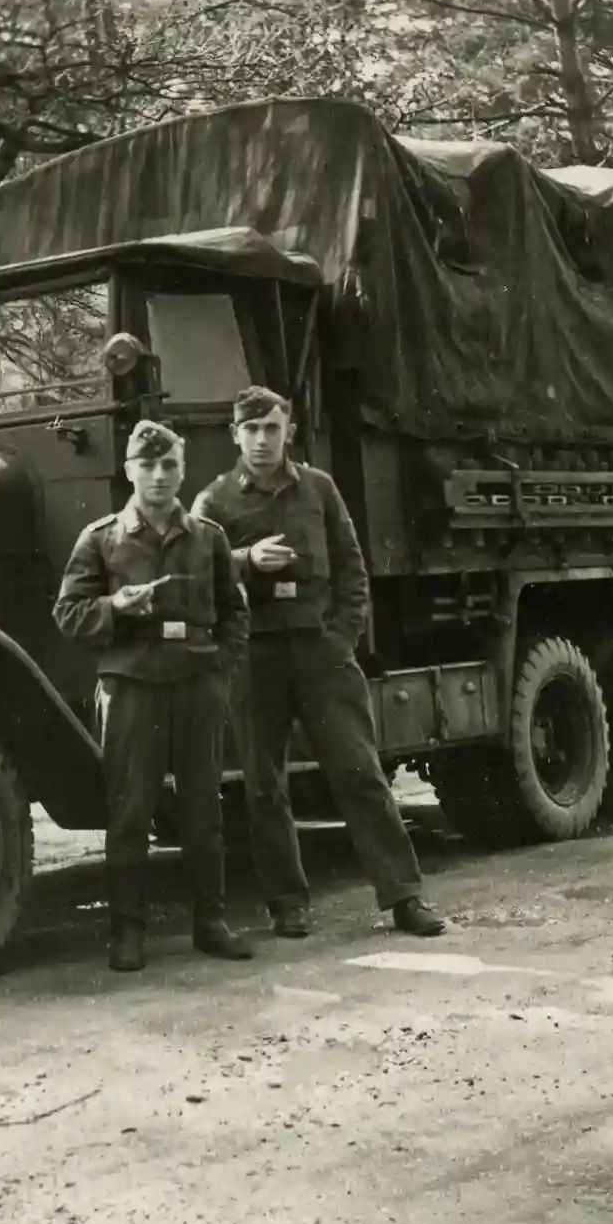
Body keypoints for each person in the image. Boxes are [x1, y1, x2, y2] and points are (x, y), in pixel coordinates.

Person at [193, 386, 450, 940]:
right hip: (254, 657)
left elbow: (353, 572)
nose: (262, 440)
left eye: (272, 428)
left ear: (289, 430)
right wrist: (244, 560)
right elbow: (196, 578)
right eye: (251, 430)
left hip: (320, 652)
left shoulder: (318, 489)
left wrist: (340, 640)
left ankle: (405, 897)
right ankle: (287, 903)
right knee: (264, 786)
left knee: (360, 772)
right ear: (234, 435)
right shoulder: (214, 503)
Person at [53, 419, 253, 973]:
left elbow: (235, 613)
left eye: (169, 465)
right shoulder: (100, 539)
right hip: (133, 687)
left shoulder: (208, 538)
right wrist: (115, 608)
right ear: (129, 472)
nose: (159, 475)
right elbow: (67, 614)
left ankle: (210, 923)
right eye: (148, 465)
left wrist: (221, 674)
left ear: (183, 471)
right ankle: (127, 932)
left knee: (202, 807)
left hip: (196, 686)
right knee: (131, 811)